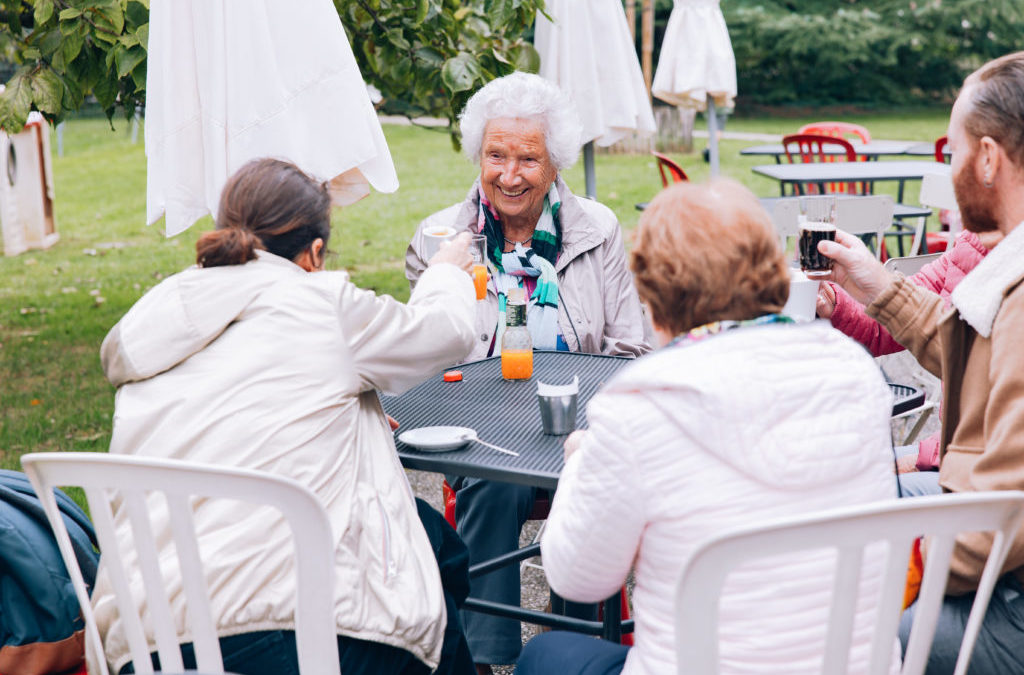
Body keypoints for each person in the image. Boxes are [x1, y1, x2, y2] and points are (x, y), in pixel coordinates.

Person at [95, 158, 478, 675]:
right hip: (298, 635)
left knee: (435, 545)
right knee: (425, 587)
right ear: (314, 254)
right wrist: (446, 273)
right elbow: (446, 330)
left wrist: (349, 418)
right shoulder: (321, 304)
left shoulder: (156, 317)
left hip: (150, 643)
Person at [516, 178, 900, 675]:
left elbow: (577, 578)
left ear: (653, 291)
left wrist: (578, 465)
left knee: (547, 655)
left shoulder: (639, 405)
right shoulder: (855, 372)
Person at [405, 72, 651, 672]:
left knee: (590, 476)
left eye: (527, 159)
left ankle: (583, 648)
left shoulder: (597, 230)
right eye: (495, 155)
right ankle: (486, 658)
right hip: (486, 432)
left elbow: (631, 350)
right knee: (489, 483)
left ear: (555, 164)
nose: (509, 175)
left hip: (580, 426)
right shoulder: (441, 242)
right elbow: (423, 364)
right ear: (477, 155)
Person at [819, 51, 1024, 673]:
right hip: (986, 529)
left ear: (988, 157)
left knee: (837, 627)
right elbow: (972, 355)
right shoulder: (1007, 265)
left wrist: (895, 570)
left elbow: (1006, 514)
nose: (952, 168)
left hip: (1011, 597)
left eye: (954, 152)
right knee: (842, 509)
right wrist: (878, 286)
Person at [816, 228, 1000, 497]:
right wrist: (834, 303)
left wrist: (918, 460)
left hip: (991, 479)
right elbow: (892, 322)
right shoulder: (976, 245)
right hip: (954, 448)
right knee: (825, 476)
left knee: (835, 495)